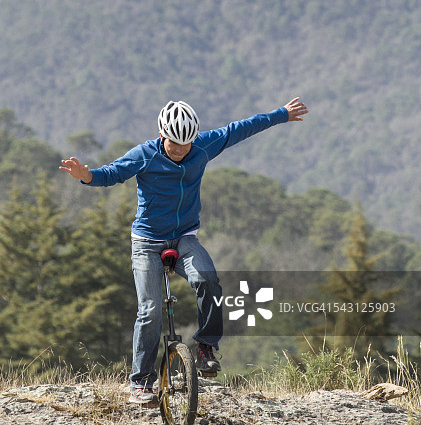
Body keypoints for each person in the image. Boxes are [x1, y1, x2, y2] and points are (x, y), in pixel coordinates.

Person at [60, 96, 308, 405]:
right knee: (150, 312)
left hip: (183, 238)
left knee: (208, 279)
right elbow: (112, 174)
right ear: (162, 134)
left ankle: (205, 347)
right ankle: (141, 382)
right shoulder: (145, 155)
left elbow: (240, 129)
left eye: (186, 143)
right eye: (174, 143)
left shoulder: (202, 147)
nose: (180, 149)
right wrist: (86, 176)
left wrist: (281, 114)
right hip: (147, 243)